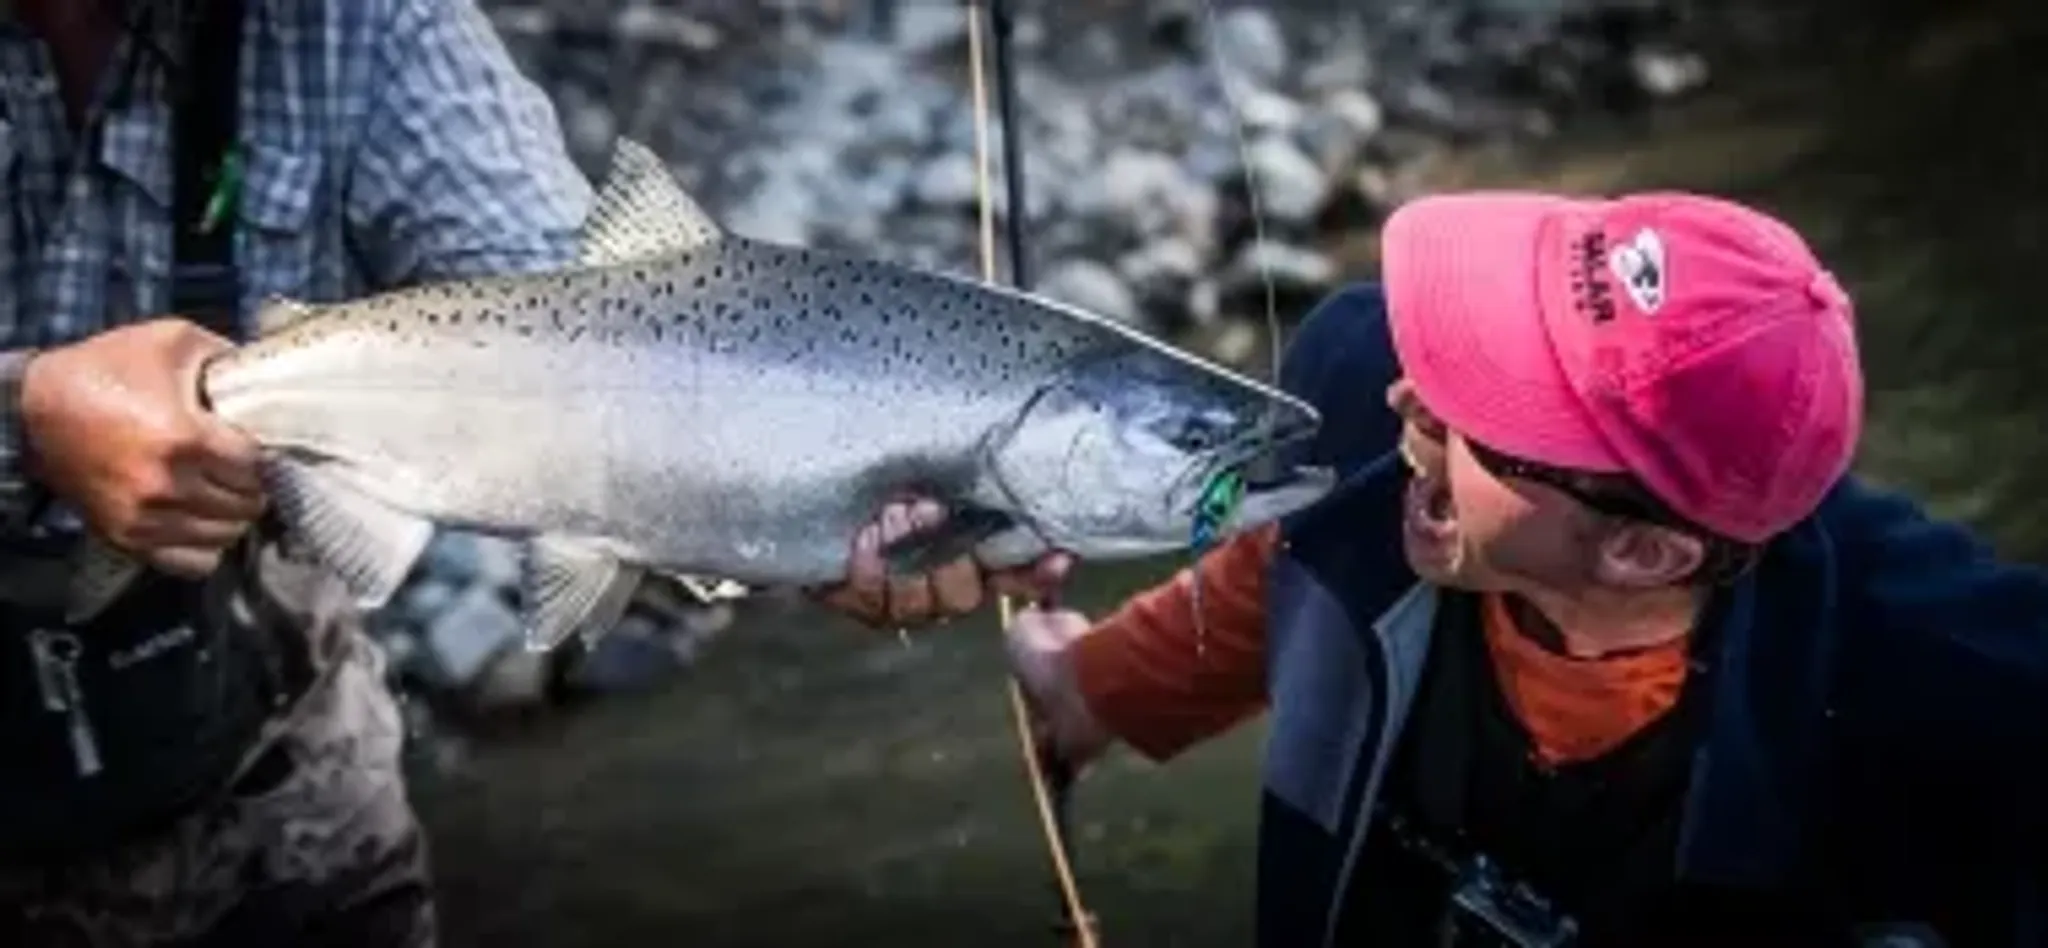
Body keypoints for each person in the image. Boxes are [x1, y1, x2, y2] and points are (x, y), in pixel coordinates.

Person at [0, 1, 1057, 945]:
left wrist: (801, 494)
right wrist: (27, 413)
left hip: (284, 811)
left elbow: (570, 310)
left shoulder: (365, 23)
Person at [980, 191, 2048, 946]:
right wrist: (1085, 687)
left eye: (1486, 407)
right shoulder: (1372, 430)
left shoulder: (1964, 692)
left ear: (1640, 550)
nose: (1409, 401)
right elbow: (1288, 577)